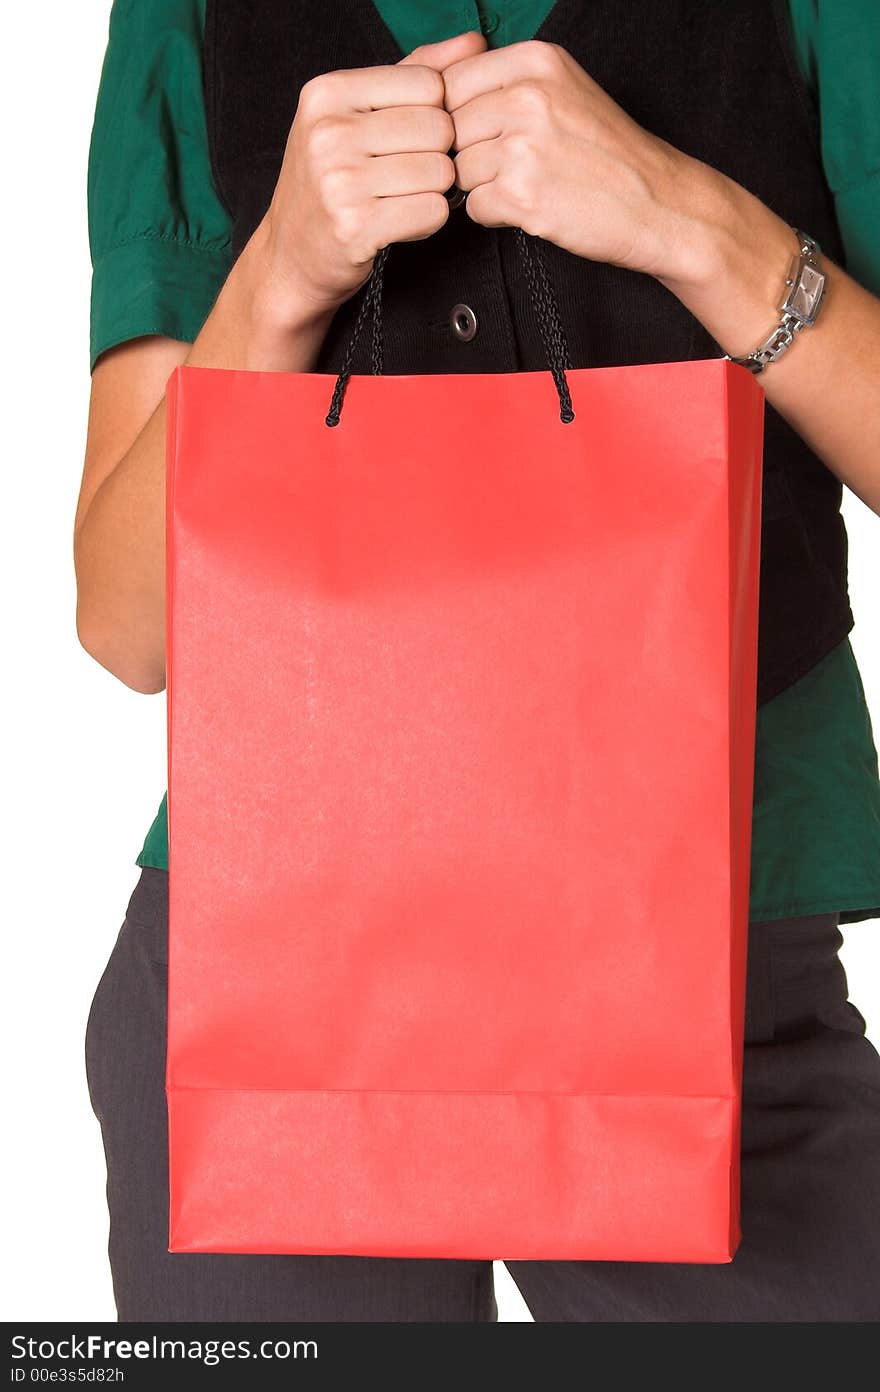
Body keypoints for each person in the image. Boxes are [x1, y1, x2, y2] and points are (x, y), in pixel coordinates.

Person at [77, 0, 880, 1321]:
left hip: (722, 1003)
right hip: (274, 997)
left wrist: (697, 227)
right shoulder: (184, 14)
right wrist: (282, 272)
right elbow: (128, 628)